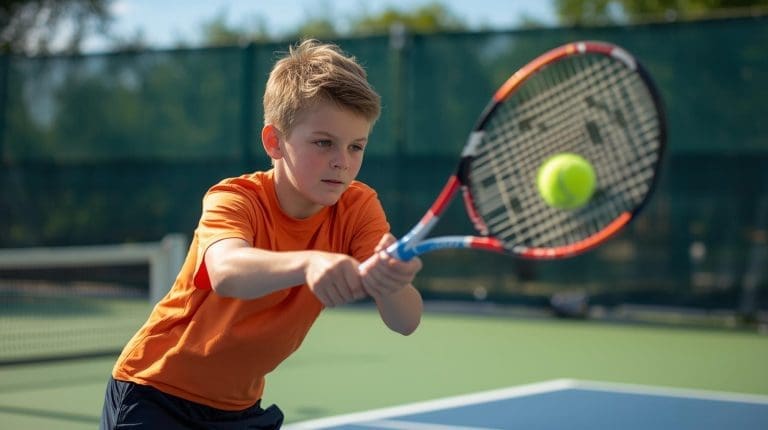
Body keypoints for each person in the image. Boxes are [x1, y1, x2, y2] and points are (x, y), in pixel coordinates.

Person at [99, 39, 424, 430]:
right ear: (274, 142)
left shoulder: (358, 206)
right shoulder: (234, 198)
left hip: (239, 407)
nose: (342, 161)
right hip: (155, 393)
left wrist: (392, 283)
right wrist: (309, 262)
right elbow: (227, 270)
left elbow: (406, 321)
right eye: (324, 143)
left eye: (357, 146)